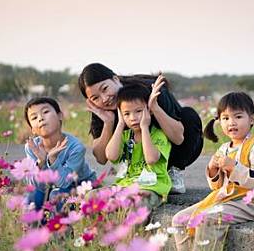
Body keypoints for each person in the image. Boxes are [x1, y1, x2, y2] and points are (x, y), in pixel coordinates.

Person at [165, 91, 254, 251]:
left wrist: (234, 167)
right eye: (225, 118)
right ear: (219, 122)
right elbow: (216, 187)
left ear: (252, 119)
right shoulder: (224, 148)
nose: (231, 122)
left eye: (238, 116)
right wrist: (213, 172)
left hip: (250, 203)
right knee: (179, 219)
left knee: (208, 219)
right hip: (225, 198)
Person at [78, 63, 203, 194]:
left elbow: (178, 138)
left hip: (168, 151)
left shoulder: (151, 90)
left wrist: (154, 107)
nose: (104, 99)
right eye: (95, 98)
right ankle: (134, 175)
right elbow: (101, 158)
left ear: (115, 79)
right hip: (135, 162)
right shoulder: (101, 110)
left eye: (105, 89)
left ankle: (173, 171)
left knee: (189, 115)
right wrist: (108, 123)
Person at [105, 83, 172, 209]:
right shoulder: (124, 136)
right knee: (91, 196)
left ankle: (133, 229)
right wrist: (120, 124)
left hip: (152, 187)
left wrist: (145, 127)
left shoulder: (158, 135)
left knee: (136, 203)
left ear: (149, 110)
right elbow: (111, 156)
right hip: (125, 186)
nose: (133, 118)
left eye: (138, 111)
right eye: (126, 114)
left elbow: (151, 159)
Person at [23, 97, 96, 210]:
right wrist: (41, 163)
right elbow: (36, 186)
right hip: (51, 186)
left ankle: (62, 226)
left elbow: (64, 183)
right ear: (32, 129)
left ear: (60, 116)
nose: (41, 118)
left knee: (57, 196)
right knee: (32, 198)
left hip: (79, 185)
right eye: (34, 117)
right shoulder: (32, 147)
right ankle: (38, 227)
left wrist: (53, 160)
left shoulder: (76, 147)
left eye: (46, 112)